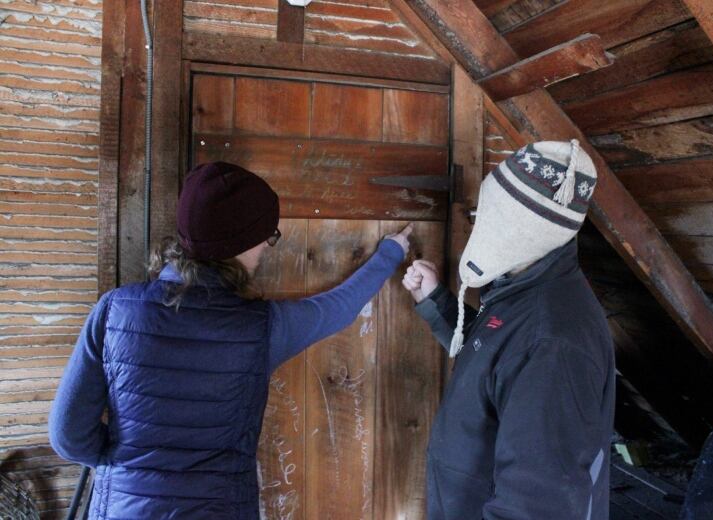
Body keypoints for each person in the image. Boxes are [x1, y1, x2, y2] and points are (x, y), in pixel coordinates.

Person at [49, 161, 412, 519]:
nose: (268, 247)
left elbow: (67, 435)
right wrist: (390, 253)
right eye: (267, 237)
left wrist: (123, 463)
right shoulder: (261, 329)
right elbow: (339, 308)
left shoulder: (114, 312)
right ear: (238, 244)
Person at [403, 140, 615, 519]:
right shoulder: (525, 285)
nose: (480, 221)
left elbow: (538, 505)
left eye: (493, 213)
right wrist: (436, 300)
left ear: (524, 225)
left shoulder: (553, 342)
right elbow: (495, 359)